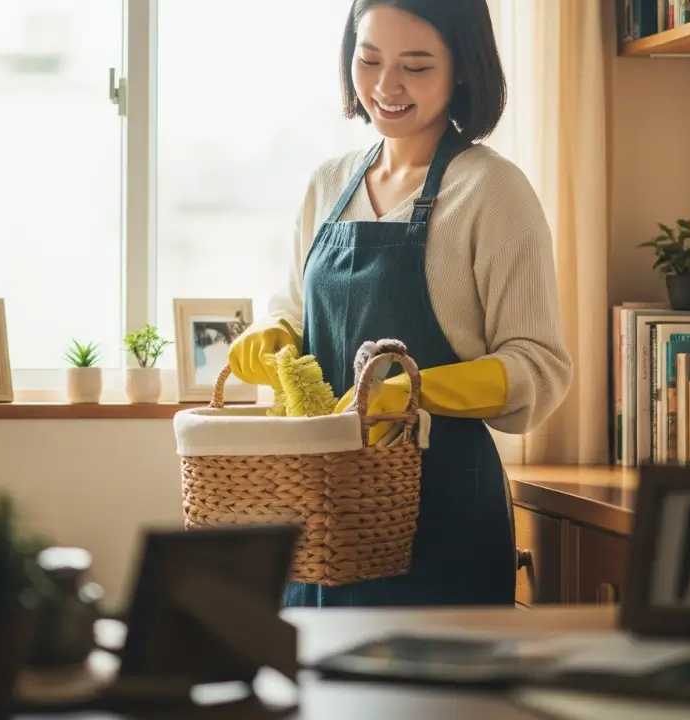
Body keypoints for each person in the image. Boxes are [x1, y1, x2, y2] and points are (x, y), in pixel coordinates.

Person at [227, 0, 572, 608]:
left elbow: (539, 365)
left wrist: (411, 393)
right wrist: (276, 333)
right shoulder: (328, 183)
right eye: (369, 59)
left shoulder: (493, 191)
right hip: (324, 515)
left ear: (462, 68)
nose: (386, 86)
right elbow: (294, 308)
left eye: (415, 66)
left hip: (443, 516)